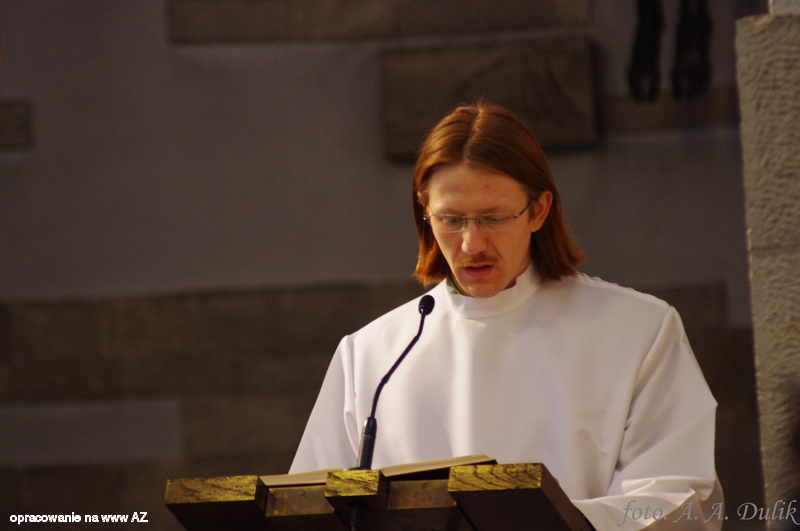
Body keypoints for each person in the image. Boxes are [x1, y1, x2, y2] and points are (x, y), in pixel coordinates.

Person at [290, 102, 722, 530]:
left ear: (538, 210)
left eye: (493, 218)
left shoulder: (637, 331)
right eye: (451, 219)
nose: (472, 243)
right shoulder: (371, 356)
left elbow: (679, 501)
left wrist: (550, 518)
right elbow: (306, 509)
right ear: (425, 210)